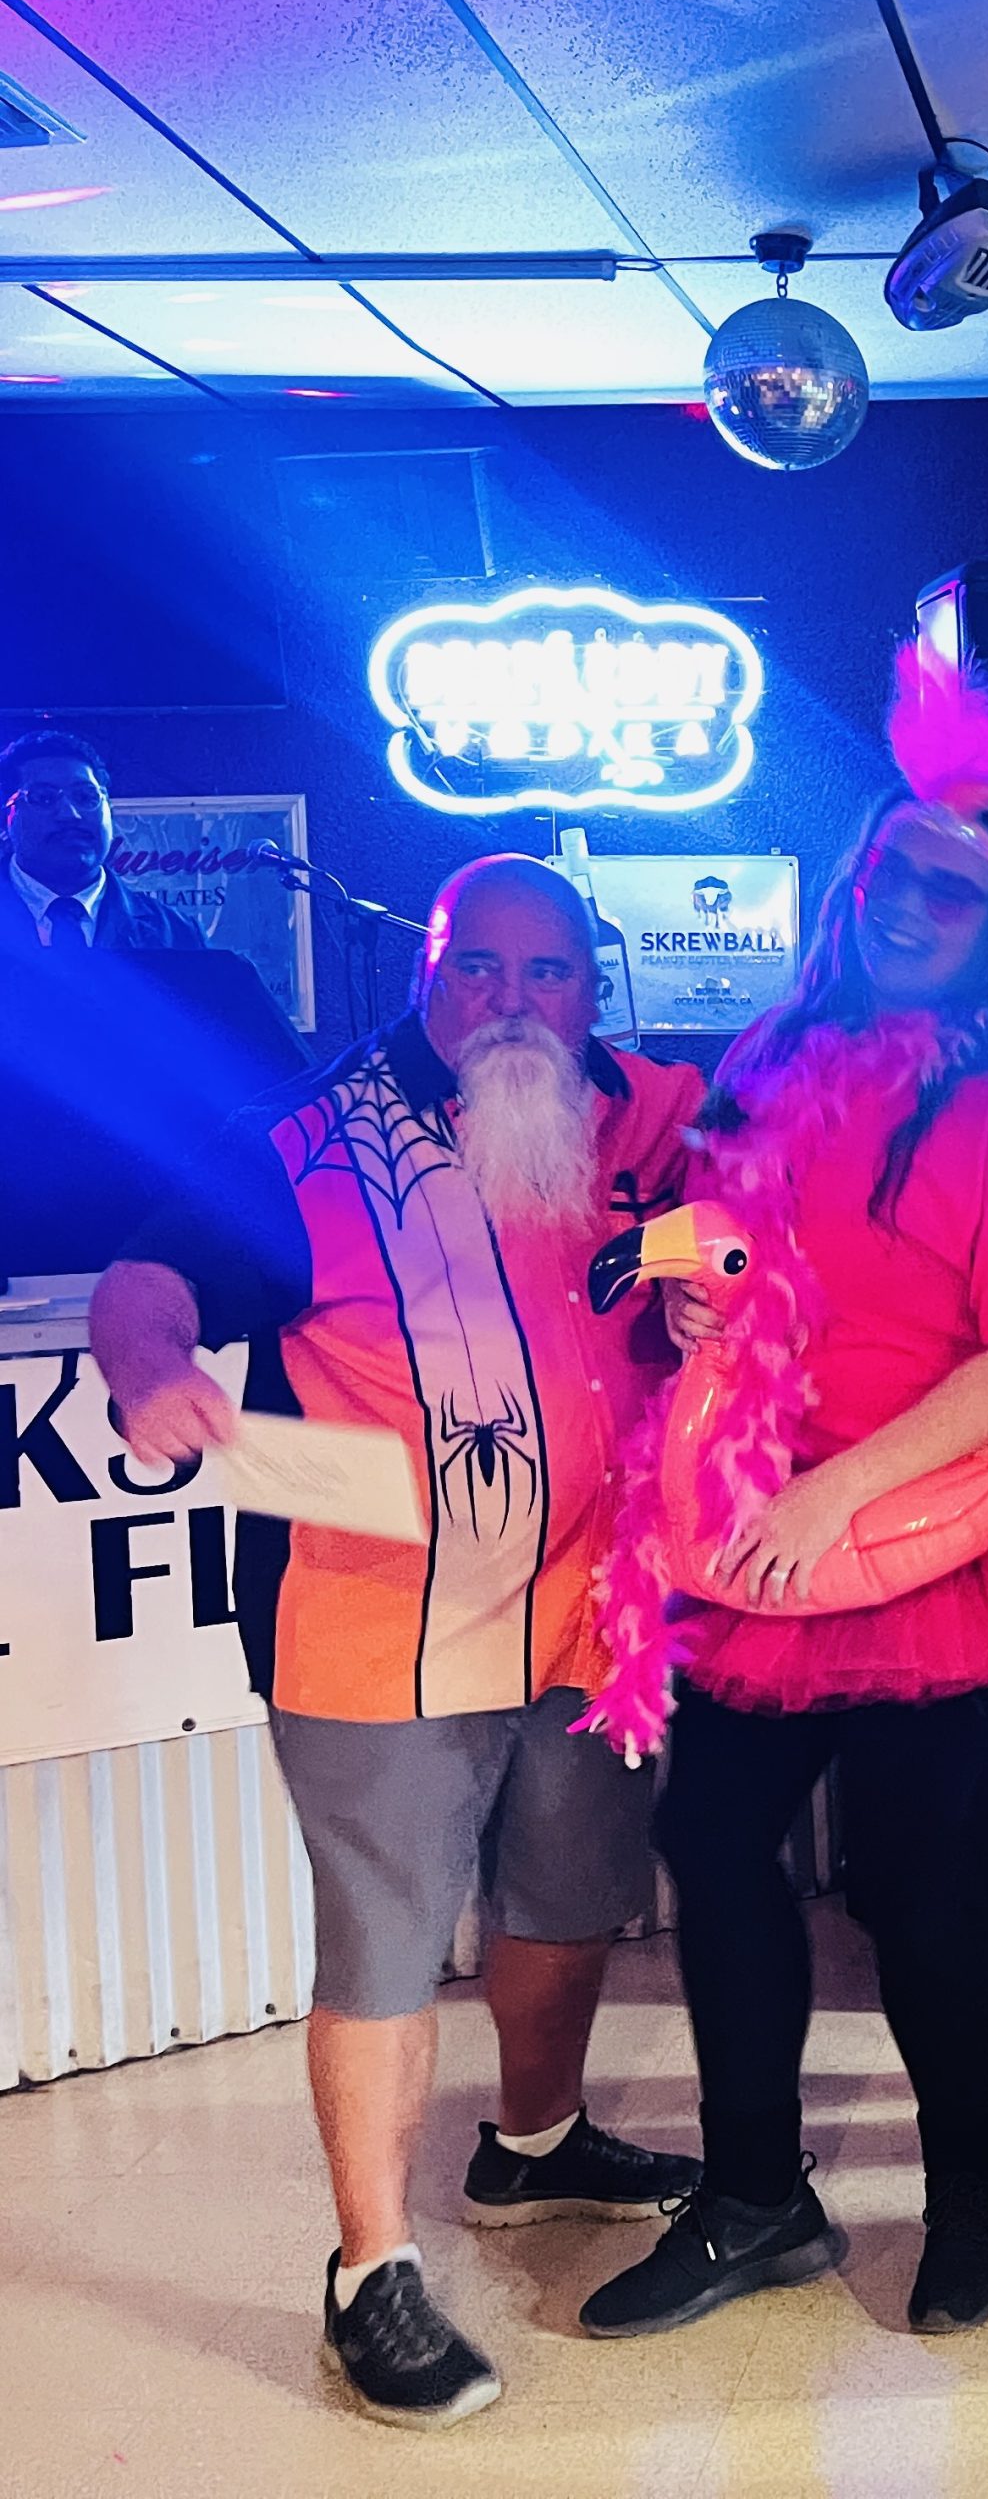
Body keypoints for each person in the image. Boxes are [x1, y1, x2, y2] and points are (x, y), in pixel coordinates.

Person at [89, 855, 704, 2430]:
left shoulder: (648, 1114)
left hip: (597, 1609)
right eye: (476, 966)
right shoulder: (303, 1143)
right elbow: (146, 1281)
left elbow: (764, 1215)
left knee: (568, 1900)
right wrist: (153, 1370)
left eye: (547, 971)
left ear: (593, 987)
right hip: (380, 1623)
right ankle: (370, 2269)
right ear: (424, 973)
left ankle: (536, 2145)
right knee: (383, 1942)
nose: (511, 1001)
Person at [579, 644, 988, 2345]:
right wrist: (693, 1312)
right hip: (759, 1534)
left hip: (929, 1541)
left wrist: (839, 1503)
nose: (909, 903)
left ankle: (970, 2196)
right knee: (710, 1842)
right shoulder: (765, 1060)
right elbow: (725, 1255)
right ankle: (756, 2196)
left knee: (920, 1888)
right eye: (893, 870)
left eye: (952, 891)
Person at [0, 728, 206, 952]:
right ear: (5, 815)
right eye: (44, 798)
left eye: (85, 797)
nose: (71, 814)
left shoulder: (176, 935)